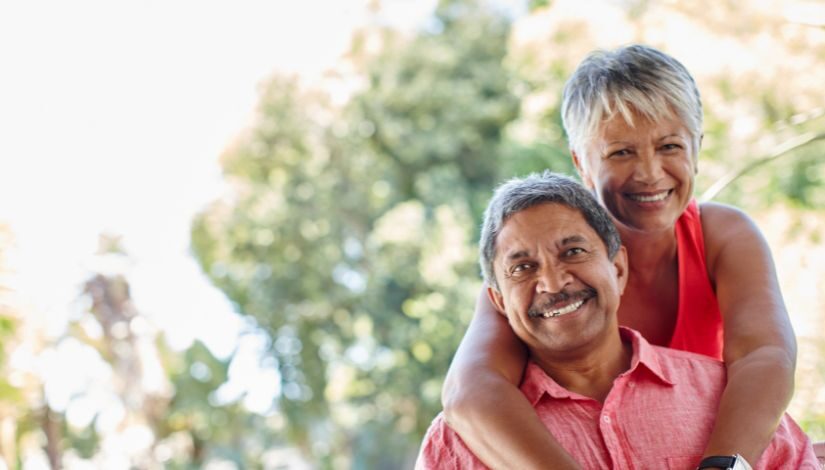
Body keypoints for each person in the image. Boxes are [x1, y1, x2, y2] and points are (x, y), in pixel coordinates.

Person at [441, 45, 800, 468]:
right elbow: (469, 393)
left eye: (669, 146)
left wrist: (726, 465)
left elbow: (765, 357)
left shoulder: (722, 236)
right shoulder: (541, 275)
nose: (649, 172)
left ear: (697, 148)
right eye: (621, 152)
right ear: (582, 163)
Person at [418, 172, 818, 469]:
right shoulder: (460, 445)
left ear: (619, 268)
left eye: (573, 252)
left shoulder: (733, 406)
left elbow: (769, 353)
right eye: (522, 267)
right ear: (498, 302)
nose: (553, 282)